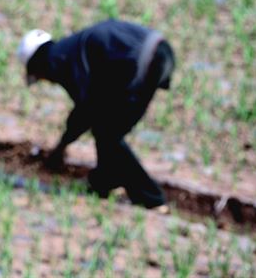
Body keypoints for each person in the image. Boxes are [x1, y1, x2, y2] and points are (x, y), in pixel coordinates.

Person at [17, 19, 175, 209]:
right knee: (105, 123)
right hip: (161, 52)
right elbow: (93, 106)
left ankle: (151, 198)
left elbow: (85, 109)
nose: (45, 80)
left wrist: (62, 146)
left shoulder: (57, 60)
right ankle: (105, 181)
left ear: (37, 63)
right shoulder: (72, 48)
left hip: (143, 60)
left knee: (109, 133)